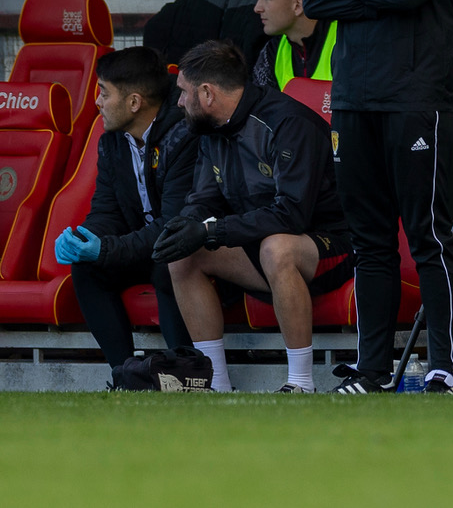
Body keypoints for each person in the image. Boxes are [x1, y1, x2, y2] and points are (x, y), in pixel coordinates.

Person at [301, 0, 453, 394]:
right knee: (370, 242)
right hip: (353, 100)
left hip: (415, 96)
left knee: (427, 237)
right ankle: (372, 372)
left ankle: (443, 366)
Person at [153, 40, 353, 393]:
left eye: (183, 93)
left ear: (207, 93)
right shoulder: (209, 129)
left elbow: (290, 215)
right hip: (258, 245)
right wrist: (186, 227)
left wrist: (212, 231)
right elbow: (203, 199)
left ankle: (301, 383)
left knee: (278, 248)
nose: (179, 102)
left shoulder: (288, 123)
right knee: (183, 256)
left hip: (330, 246)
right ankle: (213, 385)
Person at [53, 47, 197, 371]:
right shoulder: (112, 140)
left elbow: (174, 225)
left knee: (168, 263)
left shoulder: (185, 136)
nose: (97, 102)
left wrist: (106, 248)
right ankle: (125, 375)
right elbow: (107, 209)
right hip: (143, 247)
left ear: (134, 102)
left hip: (184, 248)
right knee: (87, 268)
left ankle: (186, 374)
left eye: (104, 93)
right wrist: (86, 239)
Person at [250, 0, 336, 90]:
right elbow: (259, 108)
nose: (257, 8)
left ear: (298, 4)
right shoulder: (272, 52)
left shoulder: (347, 41)